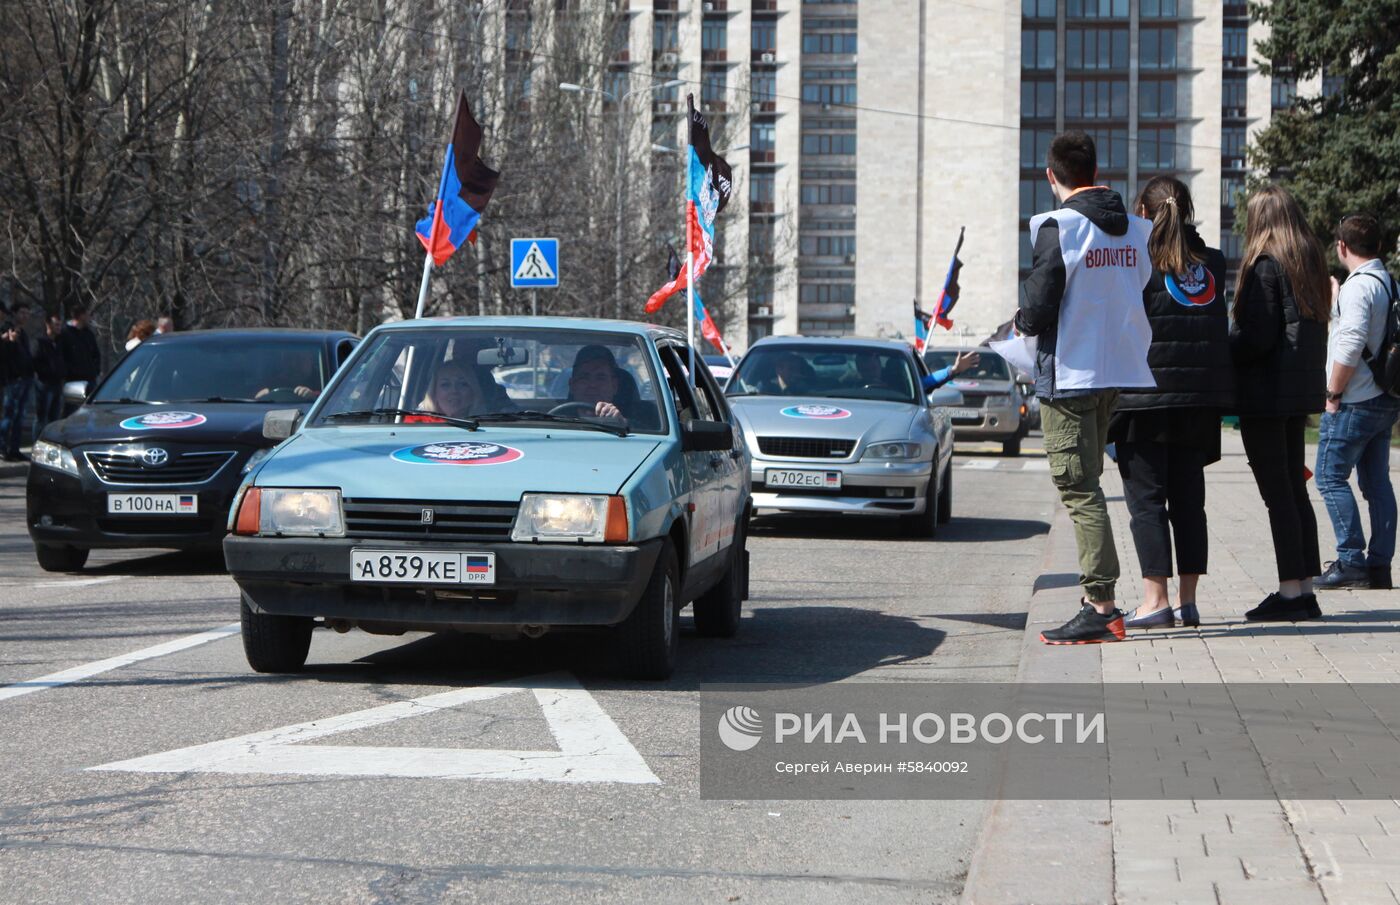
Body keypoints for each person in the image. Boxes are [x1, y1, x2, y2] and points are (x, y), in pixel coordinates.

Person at [1013, 130, 1155, 645]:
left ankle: (1102, 605)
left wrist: (1021, 320)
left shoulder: (1060, 226)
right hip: (1112, 371)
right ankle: (1101, 600)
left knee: (1079, 489)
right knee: (1089, 482)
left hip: (1069, 373)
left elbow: (1041, 299)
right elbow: (1138, 288)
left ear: (1053, 176)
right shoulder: (1136, 229)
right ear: (1096, 172)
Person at [1108, 176, 1234, 630]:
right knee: (1189, 502)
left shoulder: (1134, 262)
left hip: (1143, 398)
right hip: (1198, 401)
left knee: (1147, 502)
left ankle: (1154, 600)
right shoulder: (1215, 264)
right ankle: (1189, 602)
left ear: (1142, 211)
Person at [1230, 184, 1329, 622]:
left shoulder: (1264, 266)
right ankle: (1304, 587)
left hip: (1267, 394)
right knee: (1294, 489)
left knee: (1279, 496)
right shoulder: (1308, 260)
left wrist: (1222, 346)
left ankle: (1291, 592)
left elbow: (1257, 337)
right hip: (1297, 392)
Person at [1314, 214, 1400, 591]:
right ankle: (1379, 566)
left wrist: (1333, 394)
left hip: (1355, 399)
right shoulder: (1390, 284)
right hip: (1385, 397)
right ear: (1378, 245)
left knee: (1329, 477)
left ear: (1342, 247)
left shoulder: (1358, 288)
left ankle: (1350, 560)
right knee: (1377, 482)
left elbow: (1350, 344)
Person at [0, 303, 35, 461]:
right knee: (9, 416)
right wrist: (10, 342)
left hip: (25, 379)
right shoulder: (7, 329)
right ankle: (2, 448)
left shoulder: (23, 333)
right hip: (12, 380)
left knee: (19, 417)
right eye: (22, 312)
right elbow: (5, 356)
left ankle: (14, 449)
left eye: (27, 313)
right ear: (14, 314)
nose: (25, 316)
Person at [567, 345, 636, 421]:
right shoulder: (553, 422)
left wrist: (620, 424)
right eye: (584, 378)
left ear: (614, 386)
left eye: (600, 378)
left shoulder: (639, 428)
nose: (592, 385)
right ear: (572, 385)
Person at [416, 360, 491, 420]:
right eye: (446, 385)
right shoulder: (416, 423)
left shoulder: (491, 423)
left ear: (473, 392)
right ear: (434, 392)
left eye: (462, 384)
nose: (454, 391)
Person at [32, 314, 65, 439]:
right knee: (41, 417)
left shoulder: (58, 343)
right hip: (44, 384)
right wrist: (48, 372)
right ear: (48, 324)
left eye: (60, 325)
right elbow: (36, 362)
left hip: (57, 384)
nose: (59, 327)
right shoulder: (40, 342)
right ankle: (36, 443)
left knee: (54, 418)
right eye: (56, 324)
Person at [58, 305, 102, 396]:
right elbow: (61, 355)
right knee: (72, 406)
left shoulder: (88, 334)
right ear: (81, 316)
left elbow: (96, 354)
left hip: (90, 379)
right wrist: (69, 372)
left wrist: (95, 370)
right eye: (88, 315)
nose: (90, 318)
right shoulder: (65, 334)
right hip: (73, 381)